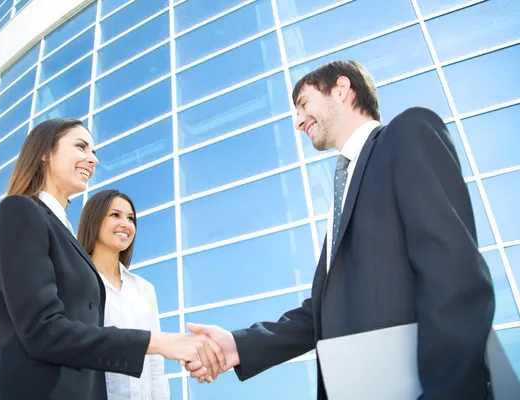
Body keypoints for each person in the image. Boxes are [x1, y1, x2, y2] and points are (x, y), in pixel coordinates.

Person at [185, 60, 495, 399]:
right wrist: (237, 346)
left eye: (303, 104)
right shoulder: (341, 197)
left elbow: (452, 272)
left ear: (342, 89)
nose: (299, 121)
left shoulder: (406, 134)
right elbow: (320, 314)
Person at [0, 118, 223, 400]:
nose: (92, 160)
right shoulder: (20, 210)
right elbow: (42, 331)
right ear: (44, 152)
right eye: (81, 147)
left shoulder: (66, 236)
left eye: (93, 153)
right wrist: (159, 342)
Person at [76, 189, 170, 399]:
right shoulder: (76, 283)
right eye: (115, 215)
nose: (126, 224)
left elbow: (155, 363)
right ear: (94, 220)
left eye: (130, 218)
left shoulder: (144, 289)